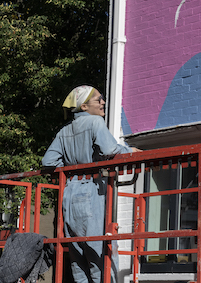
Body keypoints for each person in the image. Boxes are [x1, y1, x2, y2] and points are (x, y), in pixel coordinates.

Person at [42, 85, 139, 283]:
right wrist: (131, 151)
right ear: (84, 106)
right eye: (98, 99)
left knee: (78, 255)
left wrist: (71, 167)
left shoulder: (64, 131)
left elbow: (48, 161)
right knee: (99, 254)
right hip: (91, 189)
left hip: (69, 193)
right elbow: (110, 149)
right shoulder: (95, 122)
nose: (103, 102)